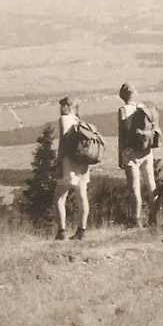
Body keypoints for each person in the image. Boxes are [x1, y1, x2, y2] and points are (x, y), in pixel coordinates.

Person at [117, 82, 159, 229]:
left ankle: (136, 221)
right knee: (151, 184)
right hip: (146, 151)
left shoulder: (123, 110)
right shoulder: (143, 108)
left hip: (131, 153)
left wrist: (120, 156)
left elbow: (122, 135)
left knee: (135, 189)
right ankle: (153, 218)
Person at [55, 96, 91, 241]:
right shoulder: (80, 121)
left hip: (69, 163)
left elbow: (63, 142)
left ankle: (61, 232)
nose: (61, 108)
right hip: (82, 163)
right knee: (82, 197)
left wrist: (58, 162)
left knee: (59, 197)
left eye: (63, 105)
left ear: (67, 107)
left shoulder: (64, 119)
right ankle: (81, 231)